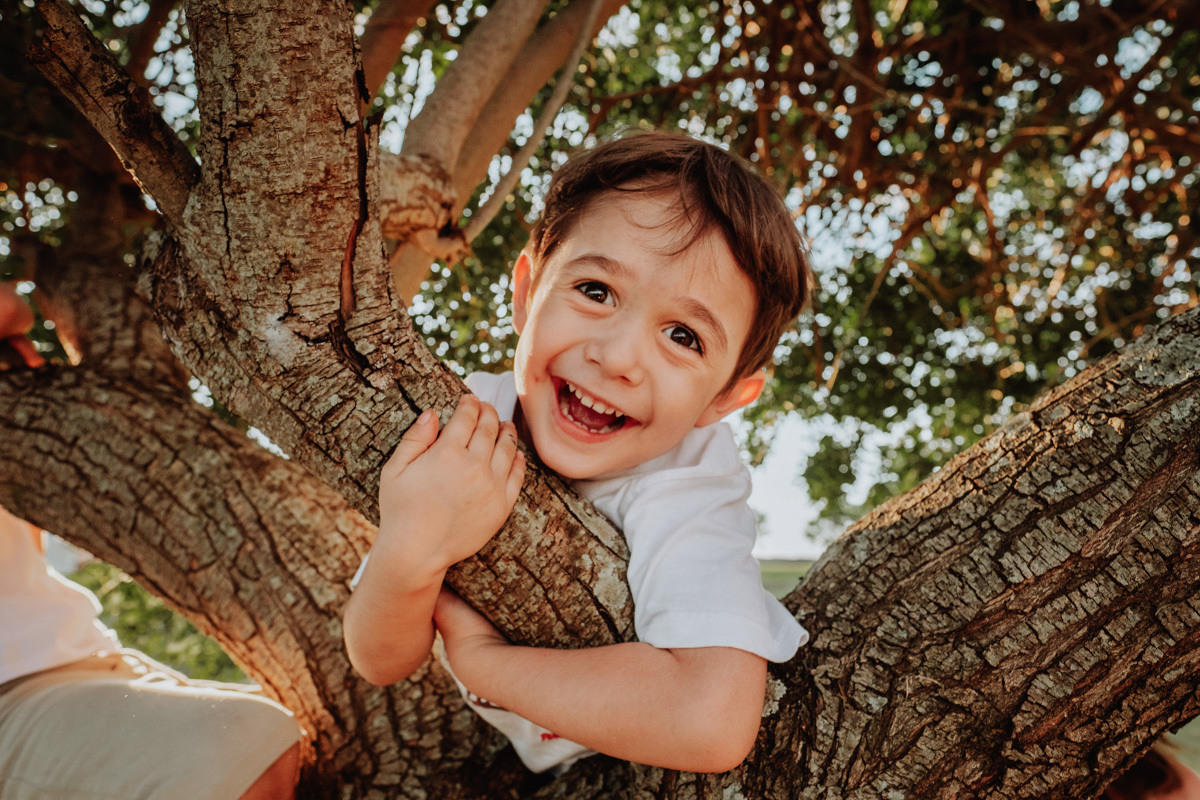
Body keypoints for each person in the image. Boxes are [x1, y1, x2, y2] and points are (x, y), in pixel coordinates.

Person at [344, 132, 812, 775]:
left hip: (621, 764)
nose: (617, 357)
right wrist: (410, 548)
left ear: (725, 400)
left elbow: (709, 725)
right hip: (489, 749)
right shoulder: (466, 421)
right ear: (526, 291)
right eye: (595, 291)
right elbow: (378, 659)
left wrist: (486, 666)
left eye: (683, 336)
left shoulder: (693, 479)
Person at [0, 283, 302, 800]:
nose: (32, 365)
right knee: (247, 744)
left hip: (92, 665)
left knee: (318, 744)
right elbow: (8, 306)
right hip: (17, 698)